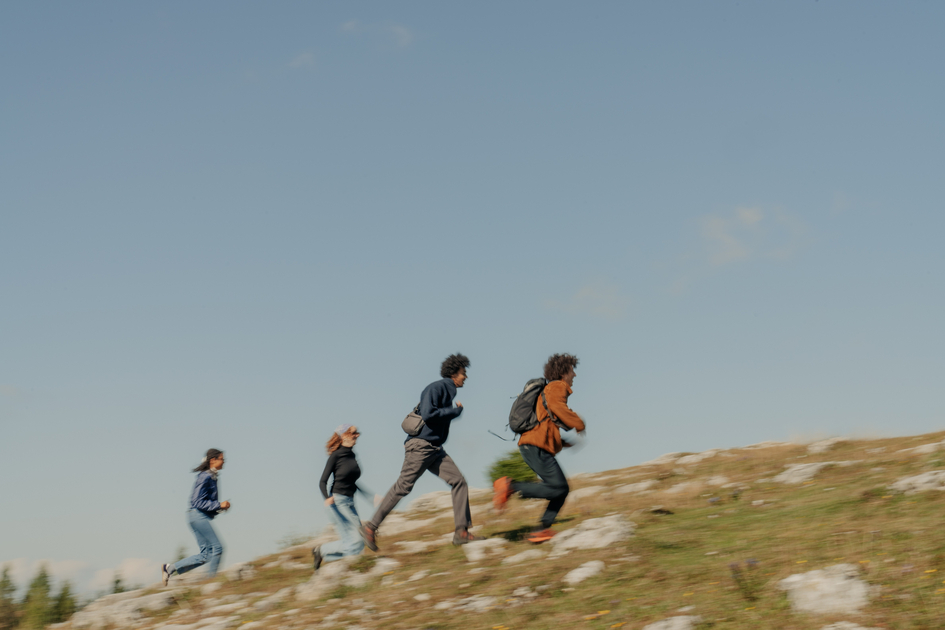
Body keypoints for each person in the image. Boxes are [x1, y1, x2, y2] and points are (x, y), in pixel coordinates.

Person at [360, 353, 483, 550]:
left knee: (459, 481)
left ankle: (461, 532)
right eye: (463, 372)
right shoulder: (439, 387)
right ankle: (370, 528)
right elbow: (428, 414)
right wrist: (454, 412)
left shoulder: (447, 390)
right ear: (454, 373)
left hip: (434, 449)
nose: (465, 377)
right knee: (403, 487)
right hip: (422, 447)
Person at [493, 353, 585, 543]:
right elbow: (558, 407)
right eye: (572, 371)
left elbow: (547, 423)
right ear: (564, 372)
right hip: (535, 447)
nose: (574, 375)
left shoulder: (550, 390)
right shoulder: (557, 387)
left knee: (562, 489)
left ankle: (541, 530)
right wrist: (579, 423)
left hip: (535, 446)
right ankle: (510, 487)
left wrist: (563, 443)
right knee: (559, 488)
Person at [162, 449, 231, 585]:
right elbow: (197, 501)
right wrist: (218, 504)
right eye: (222, 459)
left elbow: (204, 502)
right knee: (218, 548)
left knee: (205, 555)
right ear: (213, 460)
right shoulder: (205, 476)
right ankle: (211, 583)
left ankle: (169, 568)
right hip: (197, 515)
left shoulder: (212, 476)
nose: (224, 461)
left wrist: (220, 508)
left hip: (195, 516)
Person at [312, 424, 371, 570]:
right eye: (354, 433)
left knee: (358, 544)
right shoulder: (336, 456)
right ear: (344, 436)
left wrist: (370, 496)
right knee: (356, 539)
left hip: (350, 501)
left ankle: (322, 552)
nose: (357, 435)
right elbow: (322, 481)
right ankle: (346, 566)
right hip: (338, 502)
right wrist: (327, 497)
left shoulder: (352, 455)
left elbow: (352, 481)